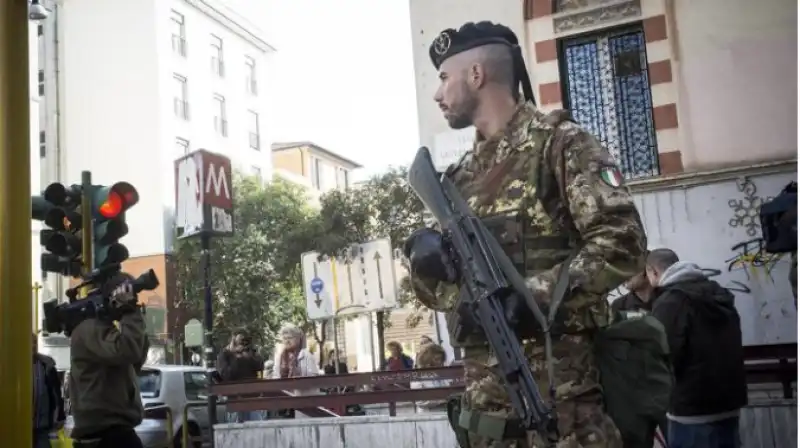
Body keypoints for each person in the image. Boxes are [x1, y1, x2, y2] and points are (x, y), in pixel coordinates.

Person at [404, 21, 647, 447]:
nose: (438, 94)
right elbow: (453, 296)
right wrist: (425, 267)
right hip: (486, 424)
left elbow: (622, 244)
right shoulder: (458, 179)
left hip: (563, 420)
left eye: (444, 78)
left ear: (476, 75)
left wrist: (531, 295)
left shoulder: (560, 146)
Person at [645, 249, 747, 448]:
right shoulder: (718, 292)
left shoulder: (671, 301)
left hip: (692, 409)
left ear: (653, 272)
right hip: (729, 402)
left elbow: (663, 355)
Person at [68, 274, 150, 448]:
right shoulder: (88, 329)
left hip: (115, 432)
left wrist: (132, 316)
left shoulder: (103, 331)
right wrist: (128, 312)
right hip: (105, 435)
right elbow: (128, 350)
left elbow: (134, 360)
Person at [273, 325, 320, 418]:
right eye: (284, 338)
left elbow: (313, 377)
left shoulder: (305, 355)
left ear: (298, 339)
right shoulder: (281, 357)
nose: (287, 341)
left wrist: (297, 371)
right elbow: (276, 375)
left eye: (290, 338)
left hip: (304, 398)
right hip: (286, 399)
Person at [217, 329, 264, 423]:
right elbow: (226, 375)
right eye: (239, 341)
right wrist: (236, 357)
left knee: (256, 426)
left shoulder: (250, 352)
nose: (241, 344)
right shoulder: (225, 355)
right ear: (233, 340)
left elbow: (260, 366)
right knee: (236, 428)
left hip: (252, 397)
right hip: (234, 398)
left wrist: (250, 356)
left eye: (243, 340)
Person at [33, 334, 66, 448]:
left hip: (41, 424)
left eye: (35, 342)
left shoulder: (45, 365)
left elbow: (56, 392)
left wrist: (60, 415)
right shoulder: (13, 366)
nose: (33, 345)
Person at [411, 343, 451, 413]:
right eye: (436, 359)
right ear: (427, 360)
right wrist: (441, 400)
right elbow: (420, 401)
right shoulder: (418, 376)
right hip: (429, 414)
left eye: (441, 359)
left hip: (446, 412)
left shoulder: (443, 374)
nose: (440, 362)